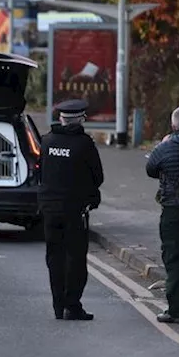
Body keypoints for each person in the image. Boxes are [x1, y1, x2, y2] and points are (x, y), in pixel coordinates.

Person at [38, 99, 104, 320]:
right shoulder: (84, 144)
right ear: (80, 119)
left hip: (49, 208)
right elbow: (98, 176)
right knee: (75, 258)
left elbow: (41, 172)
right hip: (74, 210)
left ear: (60, 118)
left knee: (54, 257)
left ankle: (58, 305)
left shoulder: (46, 141)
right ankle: (72, 305)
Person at [146, 106, 179, 323]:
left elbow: (150, 168)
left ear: (174, 125)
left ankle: (178, 310)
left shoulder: (166, 146)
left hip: (174, 208)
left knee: (175, 257)